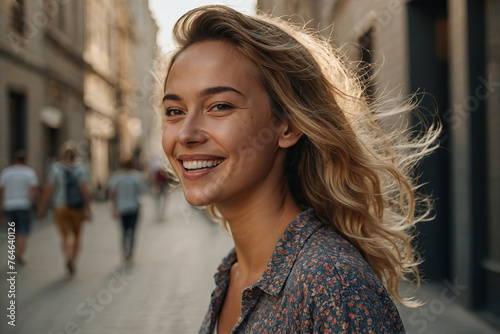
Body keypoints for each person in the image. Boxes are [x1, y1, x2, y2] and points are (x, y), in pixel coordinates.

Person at [161, 5, 439, 333]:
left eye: (220, 106)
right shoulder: (233, 273)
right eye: (175, 111)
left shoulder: (331, 285)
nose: (186, 134)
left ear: (287, 126)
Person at [38, 141, 92, 276]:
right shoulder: (81, 169)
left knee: (64, 236)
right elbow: (84, 189)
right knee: (76, 236)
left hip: (60, 206)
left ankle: (67, 256)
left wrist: (42, 206)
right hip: (77, 207)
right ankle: (73, 261)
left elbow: (49, 188)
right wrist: (89, 208)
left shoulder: (56, 168)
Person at [0, 150, 39, 264]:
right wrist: (38, 206)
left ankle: (13, 254)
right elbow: (34, 191)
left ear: (14, 160)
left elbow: (1, 191)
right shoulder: (29, 173)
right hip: (23, 204)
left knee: (12, 231)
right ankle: (20, 255)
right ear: (25, 161)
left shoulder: (6, 172)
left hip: (9, 205)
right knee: (22, 231)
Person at [109, 160, 146, 262]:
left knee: (124, 231)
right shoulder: (137, 177)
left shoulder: (117, 177)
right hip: (134, 207)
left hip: (122, 207)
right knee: (133, 231)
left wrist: (113, 208)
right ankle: (130, 252)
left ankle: (125, 251)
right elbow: (141, 191)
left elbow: (113, 194)